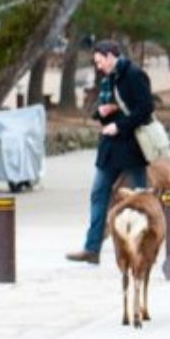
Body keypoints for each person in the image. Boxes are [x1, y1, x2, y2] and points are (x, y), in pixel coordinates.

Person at [67, 40, 154, 265]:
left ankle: (144, 247)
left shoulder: (135, 74)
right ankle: (92, 247)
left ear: (109, 56)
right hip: (109, 149)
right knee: (98, 194)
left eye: (99, 61)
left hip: (133, 148)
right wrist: (103, 112)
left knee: (139, 200)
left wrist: (120, 125)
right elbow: (106, 109)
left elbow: (145, 110)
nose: (98, 67)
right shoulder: (109, 79)